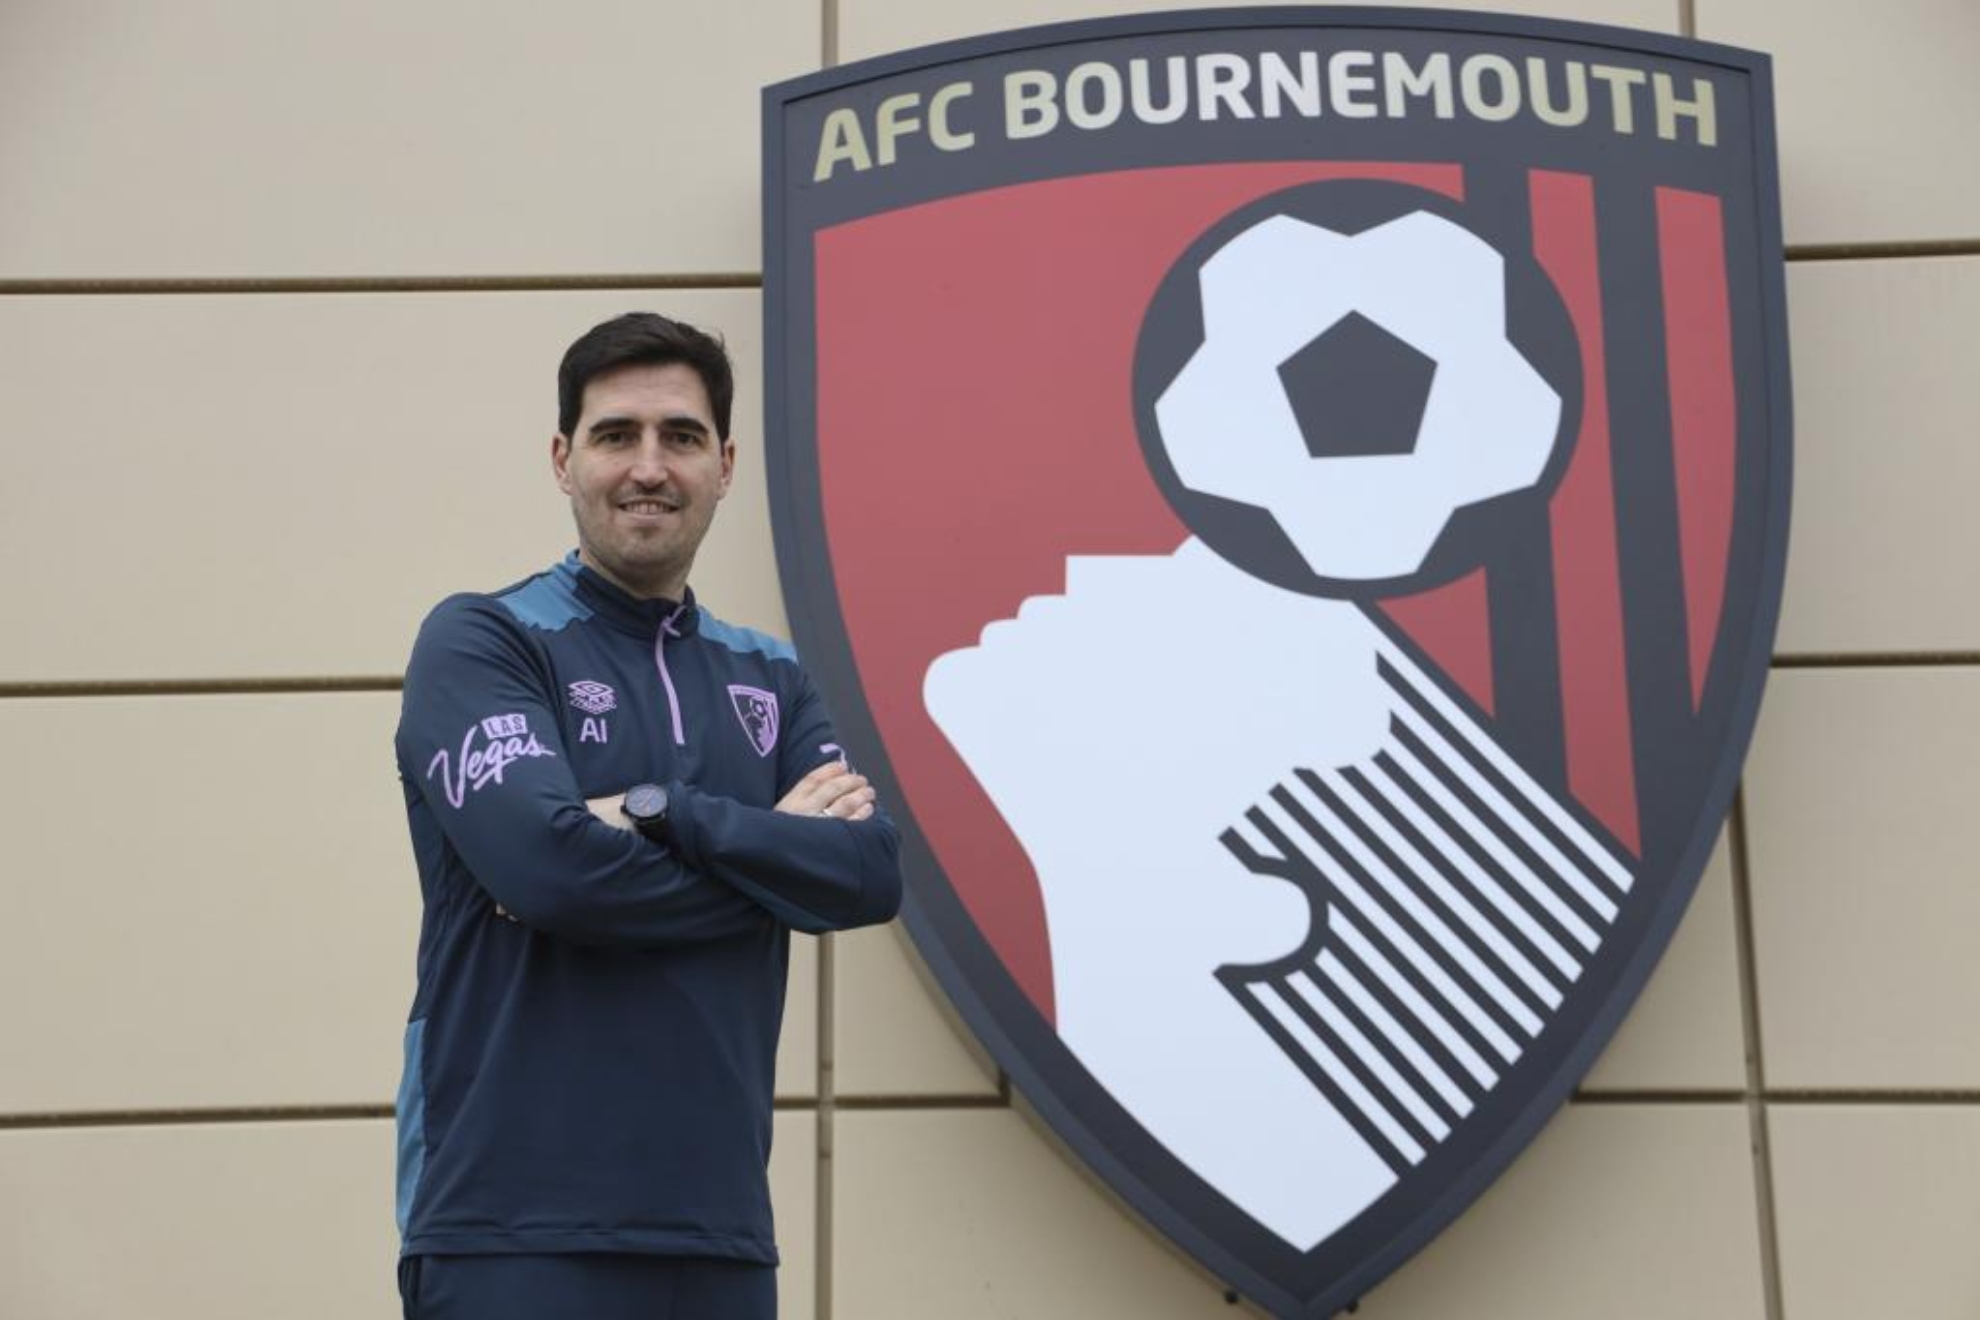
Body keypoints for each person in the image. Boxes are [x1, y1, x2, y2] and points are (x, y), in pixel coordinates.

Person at [391, 312, 902, 1320]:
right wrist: (771, 863)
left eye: (680, 436)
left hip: (718, 1233)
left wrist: (658, 812)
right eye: (615, 435)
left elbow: (870, 874)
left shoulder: (773, 673)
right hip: (509, 1227)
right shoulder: (483, 640)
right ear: (562, 459)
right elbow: (550, 872)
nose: (648, 466)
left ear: (726, 464)